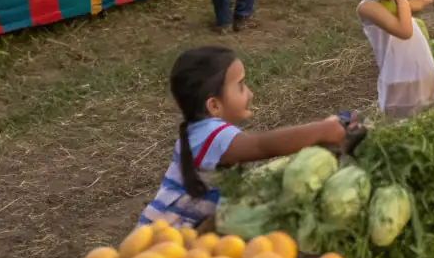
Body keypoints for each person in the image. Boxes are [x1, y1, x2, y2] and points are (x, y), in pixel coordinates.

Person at [139, 45, 346, 230]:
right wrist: (323, 130)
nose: (250, 93)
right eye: (241, 86)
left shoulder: (200, 132)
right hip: (160, 249)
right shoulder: (210, 134)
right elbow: (262, 145)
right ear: (214, 105)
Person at [357, 0, 434, 118]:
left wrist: (419, 0)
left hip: (423, 74)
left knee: (428, 124)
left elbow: (413, 6)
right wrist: (402, 0)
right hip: (399, 82)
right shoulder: (368, 6)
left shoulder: (395, 2)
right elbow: (404, 31)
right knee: (401, 127)